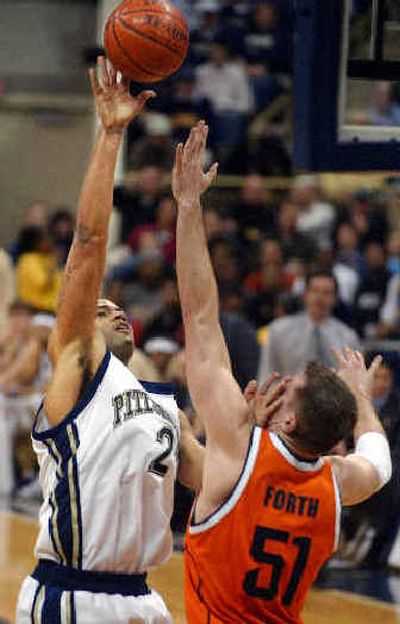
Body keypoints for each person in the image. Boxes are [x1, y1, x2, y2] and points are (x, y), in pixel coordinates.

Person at [172, 121, 392, 623]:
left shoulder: (237, 447)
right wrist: (362, 401)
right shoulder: (336, 484)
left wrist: (188, 207)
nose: (280, 385)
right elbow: (380, 461)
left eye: (289, 390)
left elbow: (201, 321)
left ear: (288, 421)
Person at [16, 57, 181, 624]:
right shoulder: (76, 365)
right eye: (99, 309)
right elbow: (87, 244)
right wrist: (111, 134)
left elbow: (220, 480)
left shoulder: (163, 403)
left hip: (146, 598)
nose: (114, 310)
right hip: (73, 595)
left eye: (119, 308)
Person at [258, 269, 360, 380]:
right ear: (305, 294)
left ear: (335, 299)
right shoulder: (278, 330)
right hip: (287, 394)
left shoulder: (348, 337)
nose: (320, 297)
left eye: (327, 293)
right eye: (315, 291)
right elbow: (266, 373)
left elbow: (355, 380)